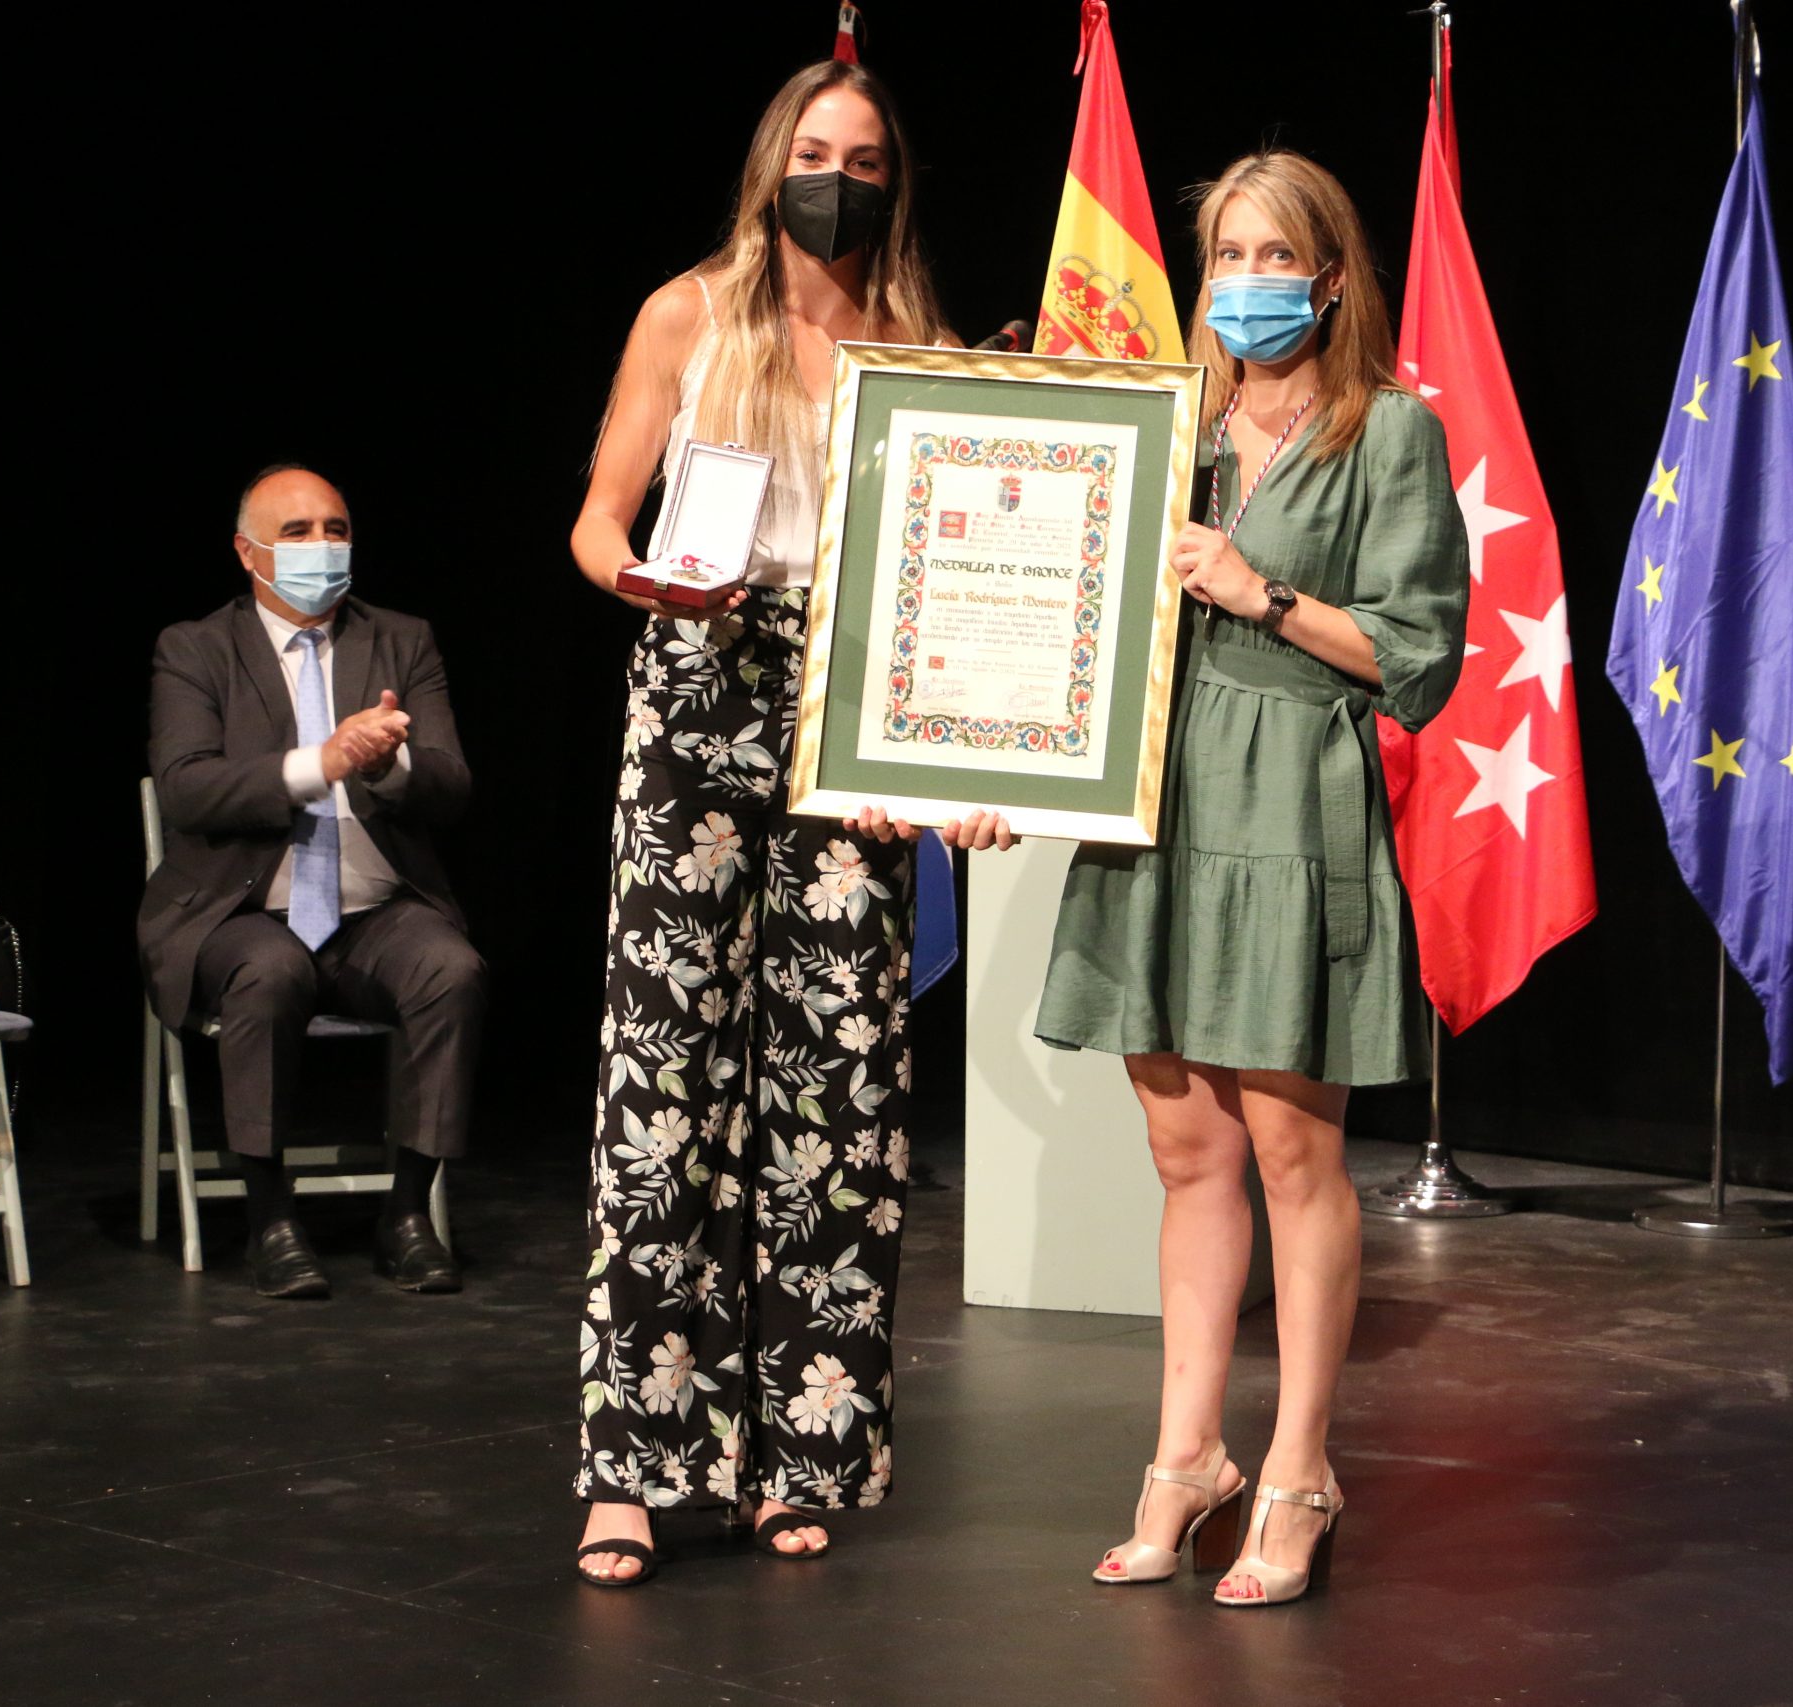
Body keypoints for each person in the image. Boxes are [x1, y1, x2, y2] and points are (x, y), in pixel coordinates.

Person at [566, 60, 1009, 1587]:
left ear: (896, 175)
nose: (841, 174)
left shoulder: (922, 341)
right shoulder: (690, 312)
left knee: (837, 1092)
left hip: (853, 707)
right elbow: (596, 522)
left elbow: (963, 583)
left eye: (867, 155)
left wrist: (975, 765)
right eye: (817, 150)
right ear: (773, 163)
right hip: (697, 684)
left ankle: (797, 1452)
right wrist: (649, 586)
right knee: (666, 1076)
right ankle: (634, 1464)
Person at [1035, 150, 1470, 1606]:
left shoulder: (1387, 431)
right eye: (1227, 252)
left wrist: (1260, 589)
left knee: (1294, 1154)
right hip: (1153, 798)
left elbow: (1419, 655)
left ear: (1333, 275)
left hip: (1292, 790)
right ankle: (1183, 1456)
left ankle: (1298, 1465)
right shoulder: (1162, 423)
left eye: (1278, 255)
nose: (1248, 282)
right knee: (1186, 1154)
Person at [142, 464, 484, 1301]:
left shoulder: (401, 639)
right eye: (296, 533)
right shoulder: (195, 647)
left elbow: (452, 785)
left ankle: (407, 1215)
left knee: (452, 969)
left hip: (373, 909)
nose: (322, 546)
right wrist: (318, 762)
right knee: (270, 971)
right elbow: (186, 785)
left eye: (335, 529)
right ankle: (269, 1217)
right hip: (239, 909)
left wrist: (389, 762)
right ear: (247, 551)